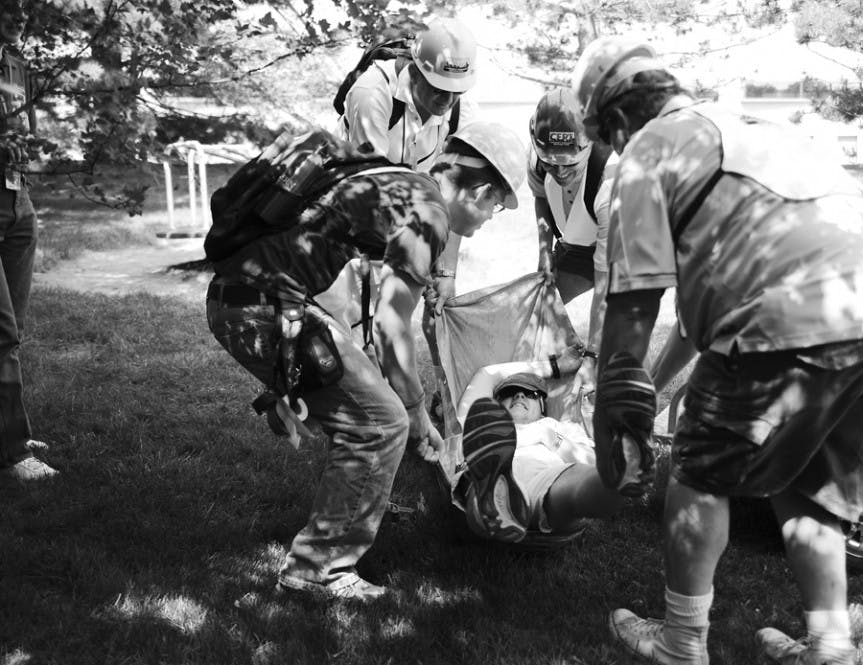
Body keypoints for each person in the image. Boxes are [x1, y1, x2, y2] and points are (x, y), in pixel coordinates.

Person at [571, 37, 863, 665]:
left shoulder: (649, 151)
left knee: (697, 472)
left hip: (797, 310)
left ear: (616, 119)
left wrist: (616, 409)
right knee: (811, 486)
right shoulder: (749, 130)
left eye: (606, 137)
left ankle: (681, 641)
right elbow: (697, 321)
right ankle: (831, 648)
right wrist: (653, 391)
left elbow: (634, 305)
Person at [207, 121, 525, 602]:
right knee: (382, 423)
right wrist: (415, 411)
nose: (488, 219)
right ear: (480, 192)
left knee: (369, 407)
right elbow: (391, 326)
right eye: (496, 207)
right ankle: (318, 570)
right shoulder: (430, 214)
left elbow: (377, 308)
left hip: (252, 298)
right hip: (263, 308)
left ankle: (350, 504)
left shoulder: (406, 183)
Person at [332, 17, 480, 318]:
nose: (448, 101)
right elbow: (370, 197)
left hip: (406, 206)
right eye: (438, 89)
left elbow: (455, 197)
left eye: (457, 92)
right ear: (414, 71)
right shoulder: (371, 94)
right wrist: (419, 262)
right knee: (350, 314)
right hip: (350, 207)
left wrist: (445, 271)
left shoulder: (461, 112)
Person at [454, 347, 628, 543]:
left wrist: (548, 436)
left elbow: (593, 462)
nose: (520, 396)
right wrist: (555, 366)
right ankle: (490, 500)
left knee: (587, 479)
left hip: (546, 479)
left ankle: (494, 507)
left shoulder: (559, 428)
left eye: (531, 393)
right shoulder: (482, 420)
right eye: (510, 392)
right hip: (489, 471)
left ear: (543, 407)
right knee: (483, 464)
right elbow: (487, 374)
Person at [527, 88, 616, 395]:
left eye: (570, 164)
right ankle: (551, 381)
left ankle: (613, 387)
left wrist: (593, 353)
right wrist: (545, 250)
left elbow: (604, 285)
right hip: (576, 245)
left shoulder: (609, 182)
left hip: (621, 252)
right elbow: (541, 197)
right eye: (551, 164)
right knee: (541, 308)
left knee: (619, 335)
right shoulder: (537, 159)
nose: (560, 171)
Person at [0, 0, 56, 483]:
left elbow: (27, 131)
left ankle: (7, 430)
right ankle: (14, 451)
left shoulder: (17, 64)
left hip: (19, 198)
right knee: (1, 332)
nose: (19, 13)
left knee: (12, 331)